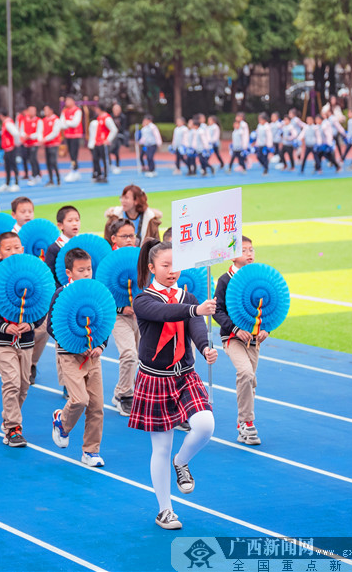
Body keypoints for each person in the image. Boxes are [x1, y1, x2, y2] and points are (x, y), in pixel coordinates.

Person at [130, 238, 218, 530]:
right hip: (155, 379)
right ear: (152, 267)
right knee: (161, 448)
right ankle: (165, 510)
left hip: (185, 374)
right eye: (165, 265)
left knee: (205, 424)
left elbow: (195, 328)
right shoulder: (143, 299)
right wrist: (195, 310)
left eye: (175, 265)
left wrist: (205, 347)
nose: (171, 271)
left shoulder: (188, 296)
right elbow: (165, 313)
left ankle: (183, 462)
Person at [0, 232, 44, 447]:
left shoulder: (32, 275)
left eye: (17, 247)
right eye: (8, 248)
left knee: (23, 385)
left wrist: (31, 324)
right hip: (1, 340)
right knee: (12, 382)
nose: (14, 252)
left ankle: (8, 416)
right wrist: (4, 326)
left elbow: (42, 306)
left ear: (23, 249)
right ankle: (13, 428)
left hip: (26, 340)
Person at [48, 248, 106, 466]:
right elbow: (52, 327)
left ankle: (90, 451)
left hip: (93, 357)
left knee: (97, 406)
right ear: (69, 273)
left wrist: (100, 346)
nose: (86, 273)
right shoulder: (61, 294)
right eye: (81, 270)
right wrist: (74, 346)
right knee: (80, 399)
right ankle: (61, 422)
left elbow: (104, 322)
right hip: (70, 356)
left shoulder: (96, 293)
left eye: (89, 269)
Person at [213, 236, 268, 446]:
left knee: (250, 380)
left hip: (254, 339)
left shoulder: (258, 278)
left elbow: (268, 307)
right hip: (233, 338)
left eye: (251, 249)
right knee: (245, 373)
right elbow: (217, 311)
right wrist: (235, 328)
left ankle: (241, 426)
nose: (249, 253)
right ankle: (247, 422)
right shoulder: (225, 280)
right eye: (244, 250)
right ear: (232, 255)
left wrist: (267, 330)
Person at [104, 217, 139, 417]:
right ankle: (125, 395)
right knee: (129, 354)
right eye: (124, 236)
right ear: (113, 238)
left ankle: (121, 392)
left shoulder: (141, 258)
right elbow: (103, 294)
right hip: (119, 317)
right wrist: (121, 309)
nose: (129, 240)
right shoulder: (108, 264)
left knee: (144, 357)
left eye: (131, 236)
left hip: (141, 316)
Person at [45, 205, 80, 283]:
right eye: (70, 221)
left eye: (77, 220)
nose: (75, 224)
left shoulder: (83, 244)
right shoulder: (54, 248)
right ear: (60, 225)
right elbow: (50, 276)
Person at [88, 102, 117, 183]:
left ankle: (105, 176)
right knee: (95, 159)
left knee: (105, 160)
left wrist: (108, 140)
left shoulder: (107, 118)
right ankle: (98, 174)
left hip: (103, 143)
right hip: (97, 142)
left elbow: (114, 130)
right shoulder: (99, 118)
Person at [60, 97, 84, 181]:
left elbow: (75, 123)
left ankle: (74, 170)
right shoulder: (64, 111)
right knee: (70, 153)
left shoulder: (77, 110)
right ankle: (74, 169)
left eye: (68, 100)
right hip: (68, 135)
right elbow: (61, 123)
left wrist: (66, 122)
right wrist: (67, 123)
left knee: (74, 153)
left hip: (75, 135)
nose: (67, 102)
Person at [0, 109, 21, 193]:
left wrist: (16, 143)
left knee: (13, 165)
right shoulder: (5, 123)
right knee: (7, 166)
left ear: (1, 115)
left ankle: (16, 183)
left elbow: (16, 133)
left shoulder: (8, 123)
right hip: (6, 148)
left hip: (11, 148)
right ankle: (7, 183)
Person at [19, 105, 43, 186]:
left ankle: (35, 175)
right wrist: (24, 136)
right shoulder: (24, 120)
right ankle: (36, 174)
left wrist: (30, 136)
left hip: (34, 143)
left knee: (33, 159)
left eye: (34, 111)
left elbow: (39, 132)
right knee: (29, 159)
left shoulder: (38, 121)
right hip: (26, 143)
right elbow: (21, 130)